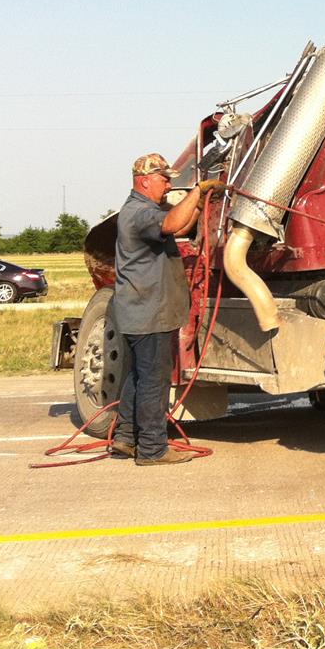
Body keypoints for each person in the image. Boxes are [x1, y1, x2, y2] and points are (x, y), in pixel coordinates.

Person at [110, 153, 222, 465]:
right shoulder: (140, 213)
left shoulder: (140, 211)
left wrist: (198, 204)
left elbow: (177, 224)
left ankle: (124, 438)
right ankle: (152, 449)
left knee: (138, 376)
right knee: (154, 381)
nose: (169, 184)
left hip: (139, 313)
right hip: (149, 314)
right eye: (164, 179)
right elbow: (172, 222)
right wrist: (197, 190)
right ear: (144, 181)